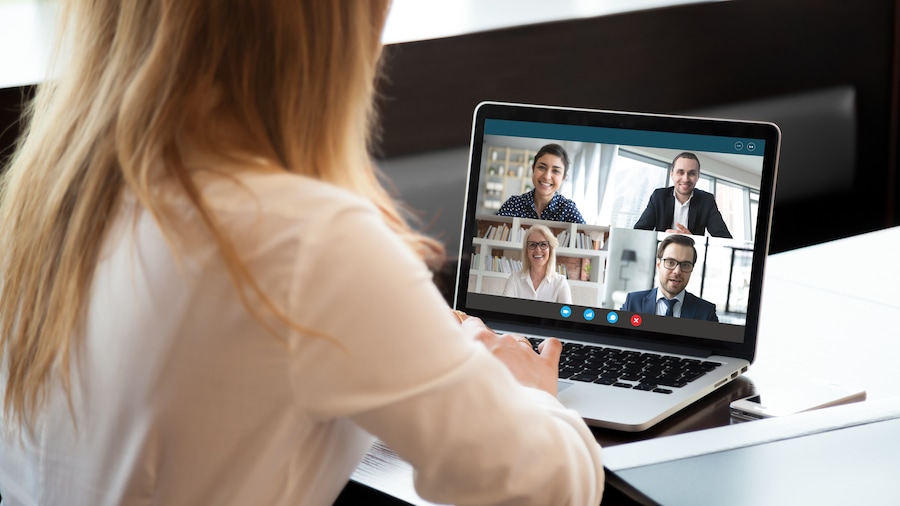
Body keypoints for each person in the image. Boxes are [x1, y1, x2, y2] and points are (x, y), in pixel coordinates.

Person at [0, 2, 604, 505]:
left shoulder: (47, 204)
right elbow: (546, 486)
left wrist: (414, 354)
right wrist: (525, 391)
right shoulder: (309, 240)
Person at [620, 235, 719, 322]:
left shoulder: (706, 312)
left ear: (692, 269)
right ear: (658, 265)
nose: (677, 271)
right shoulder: (633, 302)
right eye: (670, 262)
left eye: (685, 265)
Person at [633, 152, 732, 238]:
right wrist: (662, 238)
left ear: (698, 176)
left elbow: (725, 239)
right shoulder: (659, 196)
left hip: (691, 253)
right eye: (680, 172)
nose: (685, 179)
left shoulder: (707, 201)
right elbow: (639, 233)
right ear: (672, 174)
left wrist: (692, 240)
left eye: (692, 173)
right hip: (661, 252)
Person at [496, 143, 586, 223]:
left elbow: (588, 235)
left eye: (555, 171)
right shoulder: (514, 204)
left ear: (563, 178)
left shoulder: (568, 209)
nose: (547, 176)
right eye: (542, 167)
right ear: (533, 169)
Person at [502, 225, 573, 303]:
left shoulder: (560, 283)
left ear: (550, 250)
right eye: (532, 245)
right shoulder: (514, 279)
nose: (538, 250)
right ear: (526, 251)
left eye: (543, 244)